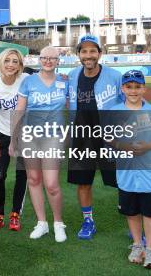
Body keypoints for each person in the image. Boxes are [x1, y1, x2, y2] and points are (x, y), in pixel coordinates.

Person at [110, 70, 151, 269]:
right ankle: (137, 245)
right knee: (131, 210)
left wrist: (145, 147)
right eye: (129, 87)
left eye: (137, 87)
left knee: (150, 211)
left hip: (150, 169)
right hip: (126, 169)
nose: (133, 91)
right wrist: (123, 146)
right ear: (122, 89)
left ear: (144, 88)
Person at [66, 34, 123, 240]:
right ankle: (88, 221)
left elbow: (132, 100)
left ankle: (130, 214)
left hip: (109, 137)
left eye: (92, 50)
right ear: (78, 54)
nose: (88, 55)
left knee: (122, 180)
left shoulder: (115, 76)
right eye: (84, 51)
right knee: (83, 182)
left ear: (100, 53)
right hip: (82, 137)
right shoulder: (72, 76)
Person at [13, 46, 68, 242]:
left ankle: (58, 223)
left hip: (53, 136)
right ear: (39, 60)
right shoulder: (28, 81)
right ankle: (42, 223)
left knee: (52, 184)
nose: (48, 61)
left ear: (58, 61)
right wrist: (14, 139)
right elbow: (19, 111)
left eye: (52, 58)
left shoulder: (64, 82)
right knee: (34, 180)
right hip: (30, 136)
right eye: (44, 57)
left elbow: (71, 109)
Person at [0, 49, 28, 232]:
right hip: (2, 133)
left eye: (15, 61)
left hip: (24, 134)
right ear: (1, 62)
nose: (10, 64)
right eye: (7, 60)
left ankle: (15, 214)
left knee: (22, 174)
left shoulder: (25, 80)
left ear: (20, 65)